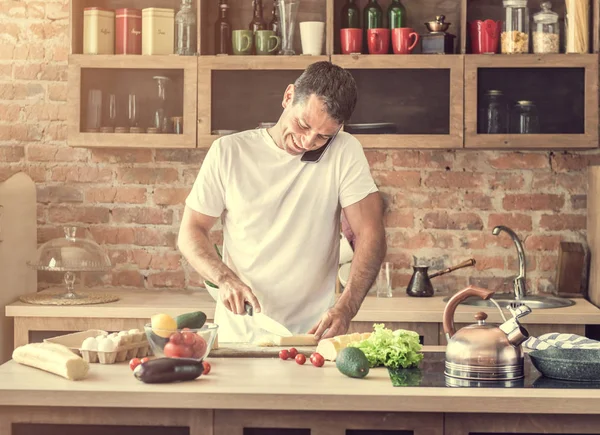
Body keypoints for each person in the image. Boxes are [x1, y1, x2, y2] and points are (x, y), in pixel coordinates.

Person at [178, 61, 386, 343]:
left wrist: (347, 307)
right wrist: (225, 279)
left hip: (312, 336)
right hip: (241, 333)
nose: (307, 141)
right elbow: (191, 230)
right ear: (289, 96)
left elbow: (370, 233)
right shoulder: (229, 152)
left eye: (324, 136)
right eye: (303, 124)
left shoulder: (344, 151)